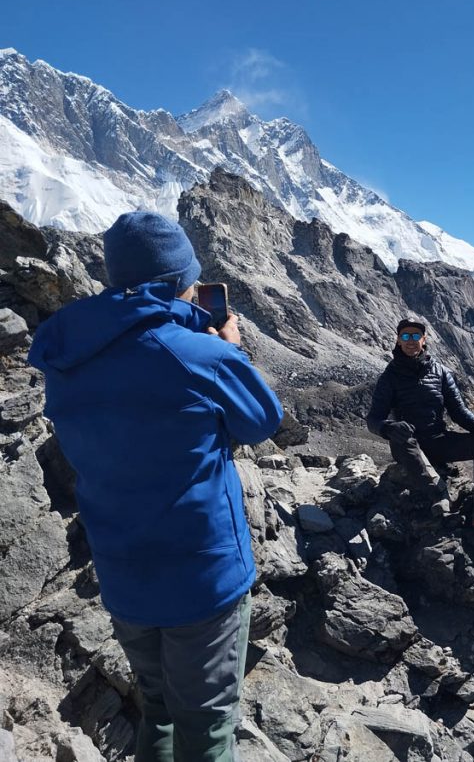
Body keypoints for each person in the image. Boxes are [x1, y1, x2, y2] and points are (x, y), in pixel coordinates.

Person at [28, 211, 283, 762]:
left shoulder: (67, 358)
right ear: (179, 280)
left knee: (159, 707)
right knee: (209, 727)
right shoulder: (200, 354)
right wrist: (229, 349)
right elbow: (262, 420)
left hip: (123, 575)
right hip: (201, 576)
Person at [366, 317, 474, 532]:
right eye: (405, 336)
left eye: (415, 336)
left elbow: (458, 410)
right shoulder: (389, 378)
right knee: (407, 438)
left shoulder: (441, 372)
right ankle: (439, 495)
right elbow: (373, 420)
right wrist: (389, 428)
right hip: (408, 446)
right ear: (398, 341)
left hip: (438, 442)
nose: (410, 341)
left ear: (424, 339)